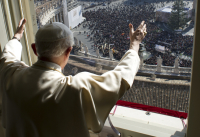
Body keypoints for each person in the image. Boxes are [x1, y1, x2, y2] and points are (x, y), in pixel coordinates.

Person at [0, 18, 146, 137]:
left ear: (34, 49)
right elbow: (120, 78)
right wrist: (134, 45)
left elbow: (8, 55)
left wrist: (17, 36)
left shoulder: (11, 74)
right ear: (68, 51)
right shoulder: (74, 88)